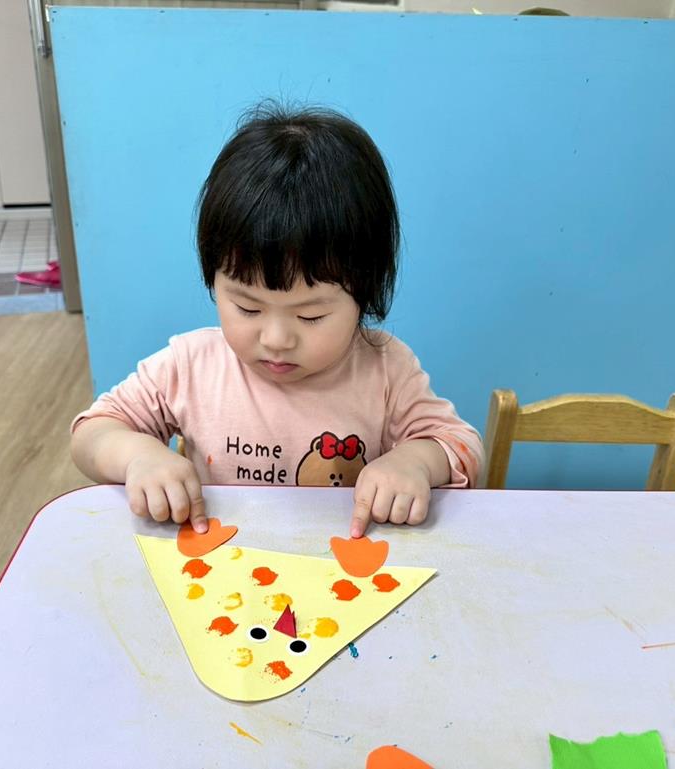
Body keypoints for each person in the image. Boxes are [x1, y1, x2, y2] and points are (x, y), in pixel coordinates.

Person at [70, 103, 483, 539]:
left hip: (341, 564)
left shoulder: (386, 370)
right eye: (248, 308)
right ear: (214, 281)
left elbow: (463, 445)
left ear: (364, 294)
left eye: (311, 315)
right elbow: (90, 433)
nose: (277, 338)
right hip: (218, 564)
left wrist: (415, 462)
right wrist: (137, 456)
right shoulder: (189, 366)